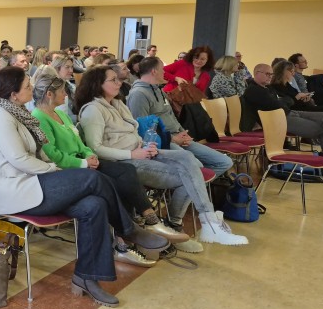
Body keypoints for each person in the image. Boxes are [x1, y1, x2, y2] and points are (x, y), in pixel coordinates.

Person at [0, 67, 170, 307]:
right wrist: (56, 170)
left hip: (34, 182)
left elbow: (40, 153)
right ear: (13, 94)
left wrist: (58, 168)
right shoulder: (0, 117)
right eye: (27, 86)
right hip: (15, 191)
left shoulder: (19, 113)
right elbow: (20, 160)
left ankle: (86, 278)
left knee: (94, 204)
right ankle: (127, 229)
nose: (31, 89)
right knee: (92, 178)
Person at [77, 66, 247, 247]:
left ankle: (205, 223)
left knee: (189, 160)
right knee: (188, 176)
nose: (119, 82)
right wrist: (132, 153)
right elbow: (95, 149)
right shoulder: (93, 110)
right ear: (98, 84)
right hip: (123, 162)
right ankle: (184, 225)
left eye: (117, 79)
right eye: (113, 80)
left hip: (140, 152)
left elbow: (131, 133)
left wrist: (144, 145)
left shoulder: (118, 104)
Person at [30, 73, 188, 262]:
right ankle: (124, 241)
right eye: (62, 90)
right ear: (49, 94)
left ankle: (147, 221)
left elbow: (78, 141)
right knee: (115, 182)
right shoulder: (38, 117)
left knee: (127, 172)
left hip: (84, 161)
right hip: (69, 169)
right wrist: (83, 162)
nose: (66, 94)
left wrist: (89, 154)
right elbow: (53, 155)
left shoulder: (60, 113)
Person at [127, 57, 234, 177]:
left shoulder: (159, 91)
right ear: (154, 71)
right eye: (162, 69)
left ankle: (189, 187)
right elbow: (143, 130)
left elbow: (171, 116)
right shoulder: (138, 94)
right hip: (163, 143)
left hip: (179, 137)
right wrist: (173, 139)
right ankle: (187, 186)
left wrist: (183, 132)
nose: (165, 72)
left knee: (224, 162)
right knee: (198, 168)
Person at [243, 63, 323, 157]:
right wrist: (283, 100)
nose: (270, 77)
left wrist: (283, 100)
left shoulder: (267, 88)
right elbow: (278, 104)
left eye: (271, 74)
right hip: (279, 120)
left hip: (289, 113)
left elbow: (286, 100)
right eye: (267, 74)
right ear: (257, 73)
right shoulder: (253, 90)